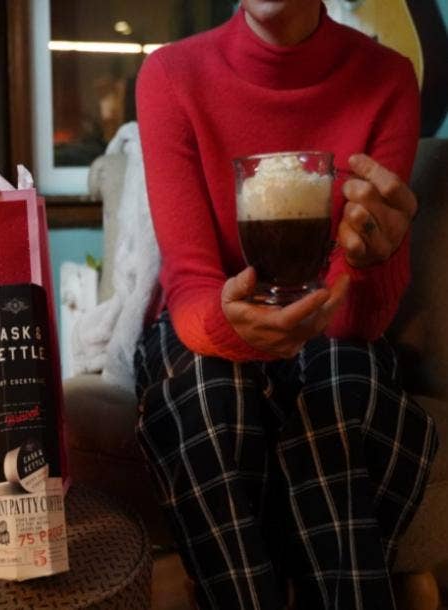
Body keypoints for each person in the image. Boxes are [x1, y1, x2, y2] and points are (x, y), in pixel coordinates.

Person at [134, 1, 438, 608]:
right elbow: (191, 282)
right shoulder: (170, 75)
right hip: (205, 332)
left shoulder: (387, 78)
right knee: (211, 389)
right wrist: (230, 326)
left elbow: (355, 322)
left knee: (343, 381)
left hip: (332, 335)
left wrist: (375, 259)